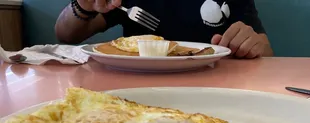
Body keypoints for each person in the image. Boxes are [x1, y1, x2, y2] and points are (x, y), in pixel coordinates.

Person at [55, 0, 273, 58]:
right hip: (137, 85)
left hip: (214, 82)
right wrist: (82, 6)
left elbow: (264, 49)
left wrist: (252, 44)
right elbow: (66, 35)